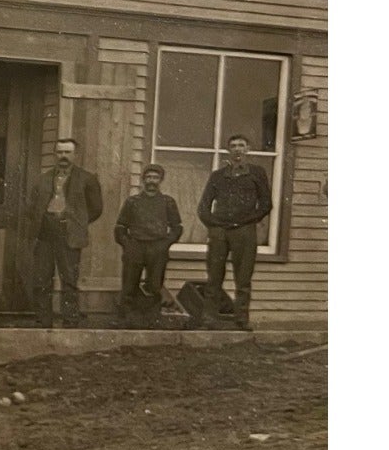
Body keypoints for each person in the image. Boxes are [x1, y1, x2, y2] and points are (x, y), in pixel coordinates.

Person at [21, 137, 104, 325]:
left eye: (67, 152)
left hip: (69, 234)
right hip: (45, 233)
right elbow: (30, 207)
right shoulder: (43, 179)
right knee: (42, 278)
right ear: (54, 155)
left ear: (75, 155)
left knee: (69, 279)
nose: (63, 156)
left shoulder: (87, 179)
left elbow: (96, 209)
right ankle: (43, 319)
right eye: (60, 152)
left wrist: (76, 222)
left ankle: (69, 319)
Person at [197, 134, 273, 329]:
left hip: (245, 231)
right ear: (228, 150)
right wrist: (215, 225)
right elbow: (203, 206)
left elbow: (265, 205)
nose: (238, 149)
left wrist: (244, 222)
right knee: (214, 275)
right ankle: (209, 317)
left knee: (243, 276)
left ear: (248, 149)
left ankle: (241, 318)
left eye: (241, 145)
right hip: (220, 232)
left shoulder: (257, 173)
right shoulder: (217, 176)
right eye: (233, 146)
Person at [113, 164, 183, 323]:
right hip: (135, 246)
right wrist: (127, 244)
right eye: (149, 177)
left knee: (154, 285)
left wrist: (165, 243)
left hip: (157, 248)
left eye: (155, 178)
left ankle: (151, 319)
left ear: (161, 180)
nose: (152, 181)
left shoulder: (167, 202)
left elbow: (177, 227)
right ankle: (127, 319)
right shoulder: (133, 202)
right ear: (143, 179)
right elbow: (120, 227)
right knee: (129, 284)